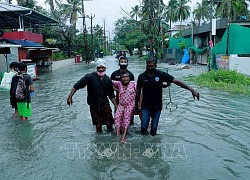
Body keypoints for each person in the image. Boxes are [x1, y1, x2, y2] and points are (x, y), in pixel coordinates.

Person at [135, 57, 200, 136]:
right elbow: (138, 92)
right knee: (143, 128)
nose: (150, 68)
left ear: (155, 65)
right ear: (146, 65)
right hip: (145, 106)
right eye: (148, 66)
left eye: (152, 66)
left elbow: (177, 81)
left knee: (154, 130)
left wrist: (192, 90)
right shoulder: (141, 76)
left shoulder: (161, 74)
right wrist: (136, 106)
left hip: (157, 106)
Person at [67, 59, 118, 133]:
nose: (100, 69)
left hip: (105, 104)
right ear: (96, 68)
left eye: (102, 67)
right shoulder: (89, 77)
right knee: (98, 124)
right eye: (99, 67)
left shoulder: (108, 80)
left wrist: (116, 106)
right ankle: (99, 141)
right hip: (93, 105)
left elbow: (111, 95)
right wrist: (70, 96)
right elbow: (77, 86)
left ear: (105, 68)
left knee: (109, 124)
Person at [112, 72, 136, 142]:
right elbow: (110, 81)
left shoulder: (133, 84)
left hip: (130, 104)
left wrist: (138, 105)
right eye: (123, 77)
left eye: (126, 77)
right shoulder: (119, 84)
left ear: (129, 78)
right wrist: (116, 90)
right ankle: (117, 134)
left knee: (126, 118)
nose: (124, 78)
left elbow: (139, 91)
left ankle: (124, 136)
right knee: (117, 117)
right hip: (121, 104)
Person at [111, 56, 135, 124]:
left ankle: (129, 128)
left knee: (129, 117)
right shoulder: (114, 74)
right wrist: (116, 90)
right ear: (119, 64)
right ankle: (118, 129)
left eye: (125, 62)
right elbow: (110, 84)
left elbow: (133, 86)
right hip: (118, 98)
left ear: (127, 64)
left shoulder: (130, 74)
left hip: (129, 100)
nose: (123, 63)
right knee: (117, 116)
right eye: (122, 62)